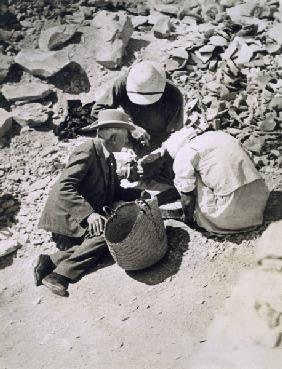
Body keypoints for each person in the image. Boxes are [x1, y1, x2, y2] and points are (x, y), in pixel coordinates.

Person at [34, 109, 145, 297]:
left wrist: (140, 193)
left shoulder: (108, 157)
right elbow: (63, 187)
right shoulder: (86, 151)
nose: (127, 141)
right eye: (125, 136)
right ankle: (59, 275)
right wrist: (89, 214)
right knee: (109, 236)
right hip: (67, 219)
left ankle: (51, 260)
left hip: (79, 217)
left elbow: (114, 191)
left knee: (109, 247)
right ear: (113, 137)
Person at [147, 127, 270, 235]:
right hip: (259, 199)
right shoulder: (218, 135)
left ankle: (211, 218)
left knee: (190, 182)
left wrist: (188, 219)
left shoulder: (183, 155)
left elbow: (188, 200)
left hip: (231, 214)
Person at [90, 61, 184, 181]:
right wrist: (130, 126)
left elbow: (177, 135)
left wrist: (160, 151)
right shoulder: (124, 82)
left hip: (159, 141)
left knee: (166, 173)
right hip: (128, 132)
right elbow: (97, 111)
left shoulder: (174, 95)